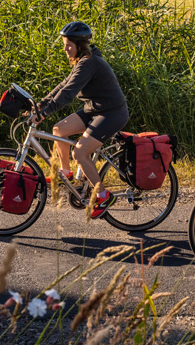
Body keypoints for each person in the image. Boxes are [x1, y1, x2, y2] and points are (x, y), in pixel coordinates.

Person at [33, 21, 129, 219]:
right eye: (64, 44)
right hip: (95, 109)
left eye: (68, 45)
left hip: (111, 113)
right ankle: (66, 172)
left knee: (80, 153)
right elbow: (63, 85)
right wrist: (41, 105)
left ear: (79, 45)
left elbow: (68, 93)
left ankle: (103, 195)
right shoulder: (82, 61)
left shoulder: (89, 63)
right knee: (59, 129)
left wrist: (44, 113)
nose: (65, 49)